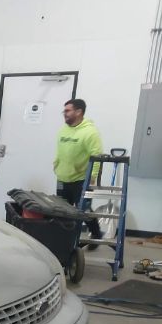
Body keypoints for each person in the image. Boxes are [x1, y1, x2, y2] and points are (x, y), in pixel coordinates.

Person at [53, 98, 102, 242]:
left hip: (81, 179)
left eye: (68, 111)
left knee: (83, 209)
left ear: (79, 112)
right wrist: (56, 164)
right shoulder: (64, 129)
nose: (65, 113)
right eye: (64, 111)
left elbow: (97, 155)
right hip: (62, 177)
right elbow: (60, 150)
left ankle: (96, 233)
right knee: (62, 210)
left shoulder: (90, 132)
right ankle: (65, 240)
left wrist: (92, 176)